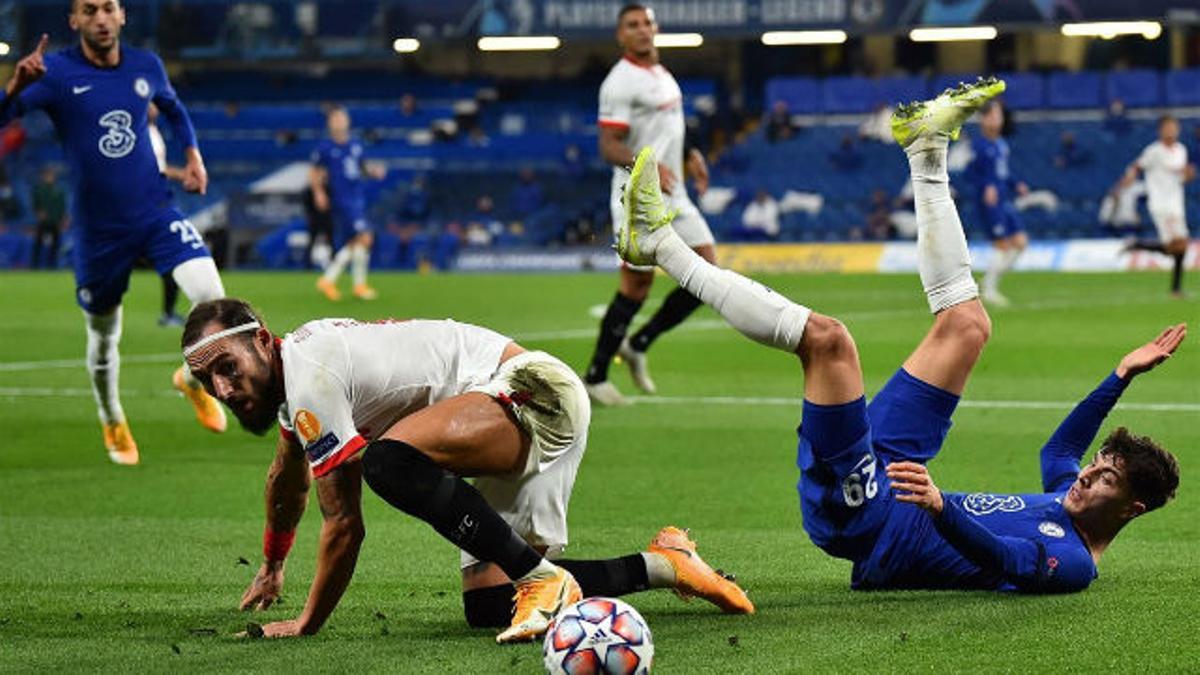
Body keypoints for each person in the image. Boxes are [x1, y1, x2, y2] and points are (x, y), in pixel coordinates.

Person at [614, 79, 1183, 595]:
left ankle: (659, 247)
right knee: (967, 325)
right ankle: (925, 149)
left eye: (1105, 476)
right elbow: (1057, 451)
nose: (1087, 474)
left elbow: (1006, 558)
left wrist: (939, 508)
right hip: (903, 472)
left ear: (1131, 508)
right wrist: (1119, 376)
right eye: (1099, 462)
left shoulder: (1074, 561)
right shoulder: (1069, 494)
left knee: (828, 341)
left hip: (869, 521)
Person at [180, 299, 753, 642]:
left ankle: (541, 578)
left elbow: (344, 524)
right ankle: (668, 565)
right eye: (209, 383)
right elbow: (287, 478)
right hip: (492, 419)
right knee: (486, 607)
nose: (224, 391)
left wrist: (307, 622)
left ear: (261, 339)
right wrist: (274, 564)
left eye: (227, 368)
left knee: (387, 461)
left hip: (530, 393)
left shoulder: (310, 374)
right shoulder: (296, 382)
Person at [0, 2, 227, 465]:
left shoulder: (147, 65)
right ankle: (112, 417)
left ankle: (191, 375)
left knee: (212, 297)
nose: (100, 18)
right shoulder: (56, 72)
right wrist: (13, 88)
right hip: (97, 232)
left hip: (154, 213)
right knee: (104, 334)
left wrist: (194, 155)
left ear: (122, 16)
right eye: (90, 10)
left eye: (108, 8)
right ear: (75, 20)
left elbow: (174, 108)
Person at [585, 3, 715, 406]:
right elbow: (609, 145)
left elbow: (666, 128)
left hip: (673, 192)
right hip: (637, 194)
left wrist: (690, 152)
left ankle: (639, 343)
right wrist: (649, 165)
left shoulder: (661, 74)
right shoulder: (619, 83)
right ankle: (595, 375)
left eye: (646, 23)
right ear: (620, 35)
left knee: (707, 272)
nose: (642, 30)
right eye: (632, 25)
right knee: (637, 286)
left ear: (655, 28)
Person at [311, 106, 386, 302]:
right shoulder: (325, 148)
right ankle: (334, 280)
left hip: (357, 197)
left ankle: (355, 285)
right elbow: (315, 172)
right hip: (342, 198)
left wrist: (374, 171)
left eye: (342, 118)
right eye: (336, 119)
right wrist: (319, 192)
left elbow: (361, 167)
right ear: (330, 123)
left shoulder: (355, 144)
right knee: (364, 237)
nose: (339, 122)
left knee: (356, 241)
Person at [1122, 115, 1194, 298]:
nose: (1171, 131)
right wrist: (1130, 176)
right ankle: (1175, 289)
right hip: (1161, 204)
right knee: (1179, 245)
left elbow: (1183, 179)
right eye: (1168, 127)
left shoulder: (1181, 150)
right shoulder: (1154, 151)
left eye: (1174, 127)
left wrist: (1188, 175)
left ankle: (1139, 245)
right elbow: (1136, 166)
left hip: (1177, 203)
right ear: (1160, 130)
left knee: (1178, 248)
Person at [968, 99, 1028, 307]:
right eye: (993, 115)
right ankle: (989, 289)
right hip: (989, 203)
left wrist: (1016, 183)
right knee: (1002, 244)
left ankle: (989, 280)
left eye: (999, 115)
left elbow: (1003, 173)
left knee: (1020, 242)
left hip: (1003, 200)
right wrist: (986, 186)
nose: (997, 119)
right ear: (983, 119)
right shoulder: (978, 145)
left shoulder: (1001, 145)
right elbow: (970, 173)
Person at [147, 101, 187, 327]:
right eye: (150, 104)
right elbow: (154, 169)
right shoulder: (139, 133)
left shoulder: (153, 131)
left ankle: (168, 312)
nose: (155, 108)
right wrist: (182, 174)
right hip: (145, 205)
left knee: (172, 260)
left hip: (155, 202)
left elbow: (159, 168)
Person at [31, 164, 68, 269]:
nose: (50, 177)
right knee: (38, 243)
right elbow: (35, 203)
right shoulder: (39, 190)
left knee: (55, 245)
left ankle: (52, 265)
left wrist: (63, 218)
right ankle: (34, 265)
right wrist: (38, 212)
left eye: (51, 175)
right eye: (48, 175)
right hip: (44, 222)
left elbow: (62, 206)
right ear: (43, 176)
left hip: (55, 221)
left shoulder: (59, 190)